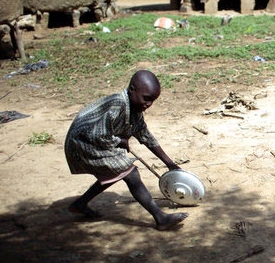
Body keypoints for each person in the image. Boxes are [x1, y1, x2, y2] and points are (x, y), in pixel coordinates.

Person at [64, 70, 188, 231]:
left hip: (94, 141)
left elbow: (145, 136)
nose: (148, 104)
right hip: (81, 142)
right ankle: (160, 218)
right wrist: (120, 141)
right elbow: (98, 135)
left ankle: (80, 204)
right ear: (132, 89)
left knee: (117, 170)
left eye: (152, 100)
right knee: (130, 172)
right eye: (146, 98)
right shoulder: (117, 104)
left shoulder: (135, 110)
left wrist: (170, 164)